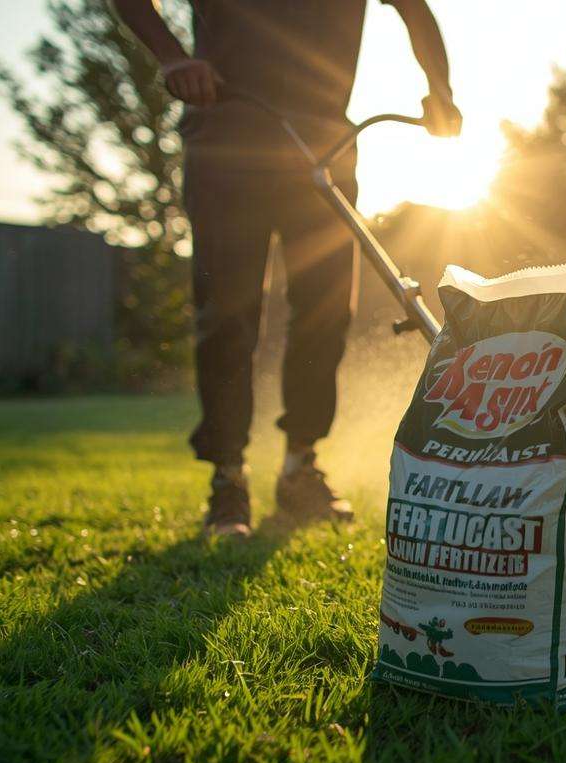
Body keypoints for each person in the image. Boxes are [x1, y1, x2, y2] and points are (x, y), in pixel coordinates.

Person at [116, 0, 460, 537]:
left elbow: (414, 9)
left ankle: (301, 465)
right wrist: (172, 58)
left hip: (323, 148)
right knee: (228, 316)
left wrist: (440, 92)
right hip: (228, 135)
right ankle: (228, 478)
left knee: (325, 314)